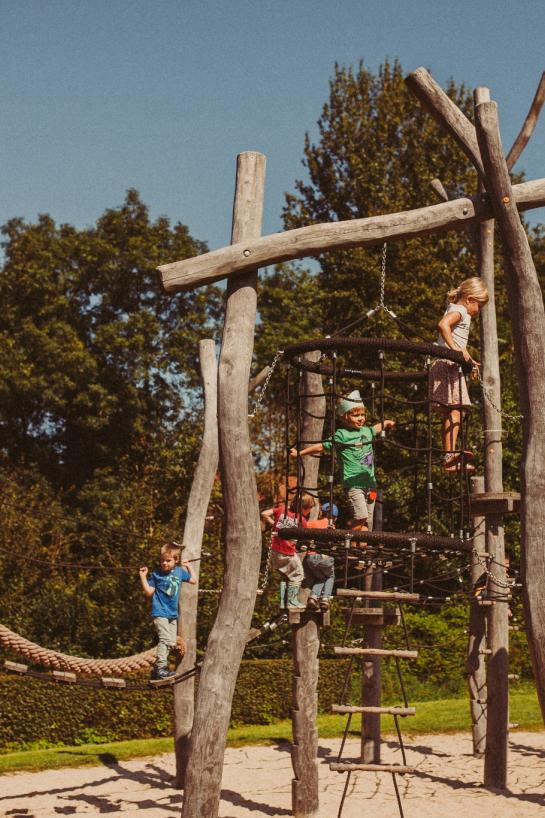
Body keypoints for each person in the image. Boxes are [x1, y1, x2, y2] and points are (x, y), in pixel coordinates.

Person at [291, 390, 394, 532]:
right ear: (344, 417)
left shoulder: (366, 431)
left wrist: (386, 423)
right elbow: (321, 447)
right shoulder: (342, 435)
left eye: (362, 414)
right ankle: (346, 536)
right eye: (355, 415)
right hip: (353, 484)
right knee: (361, 516)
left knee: (367, 524)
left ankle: (357, 546)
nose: (360, 418)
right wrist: (300, 453)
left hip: (370, 484)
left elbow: (374, 429)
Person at [431, 277, 489, 471]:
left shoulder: (458, 310)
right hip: (447, 365)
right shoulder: (461, 310)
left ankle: (449, 456)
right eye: (479, 306)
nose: (479, 311)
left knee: (455, 410)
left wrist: (469, 360)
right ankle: (449, 455)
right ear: (470, 299)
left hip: (449, 365)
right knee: (456, 409)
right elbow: (443, 325)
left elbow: (458, 343)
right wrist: (455, 350)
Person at [139, 541, 196, 680]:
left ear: (176, 560)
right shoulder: (156, 574)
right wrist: (143, 576)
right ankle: (161, 668)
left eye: (168, 560)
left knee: (171, 642)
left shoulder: (179, 572)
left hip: (172, 614)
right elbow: (149, 592)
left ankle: (156, 671)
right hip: (160, 612)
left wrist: (189, 566)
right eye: (162, 560)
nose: (164, 563)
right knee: (165, 639)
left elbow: (194, 580)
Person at [261, 493, 314, 609]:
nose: (310, 511)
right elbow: (306, 537)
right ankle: (292, 602)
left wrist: (274, 524)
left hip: (274, 551)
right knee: (298, 575)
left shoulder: (282, 509)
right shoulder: (301, 520)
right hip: (287, 553)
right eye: (310, 508)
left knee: (286, 577)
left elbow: (264, 513)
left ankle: (282, 603)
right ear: (304, 508)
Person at [304, 501, 337, 611]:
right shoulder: (332, 528)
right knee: (330, 576)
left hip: (311, 558)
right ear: (335, 518)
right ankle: (325, 599)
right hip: (325, 558)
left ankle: (313, 597)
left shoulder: (312, 523)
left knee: (321, 578)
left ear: (321, 513)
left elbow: (302, 527)